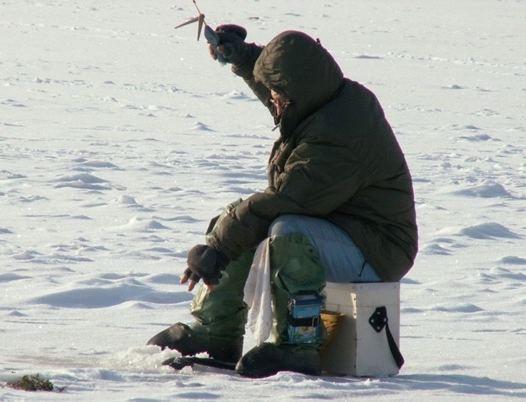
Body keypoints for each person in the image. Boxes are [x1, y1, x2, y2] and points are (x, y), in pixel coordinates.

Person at [147, 25, 418, 378]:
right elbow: (290, 87)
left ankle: (299, 345)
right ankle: (215, 333)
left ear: (295, 94)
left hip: (379, 249)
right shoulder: (328, 99)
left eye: (277, 94)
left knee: (285, 229)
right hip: (344, 227)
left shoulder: (337, 136)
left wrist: (218, 247)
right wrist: (244, 58)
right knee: (243, 219)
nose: (272, 100)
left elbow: (288, 198)